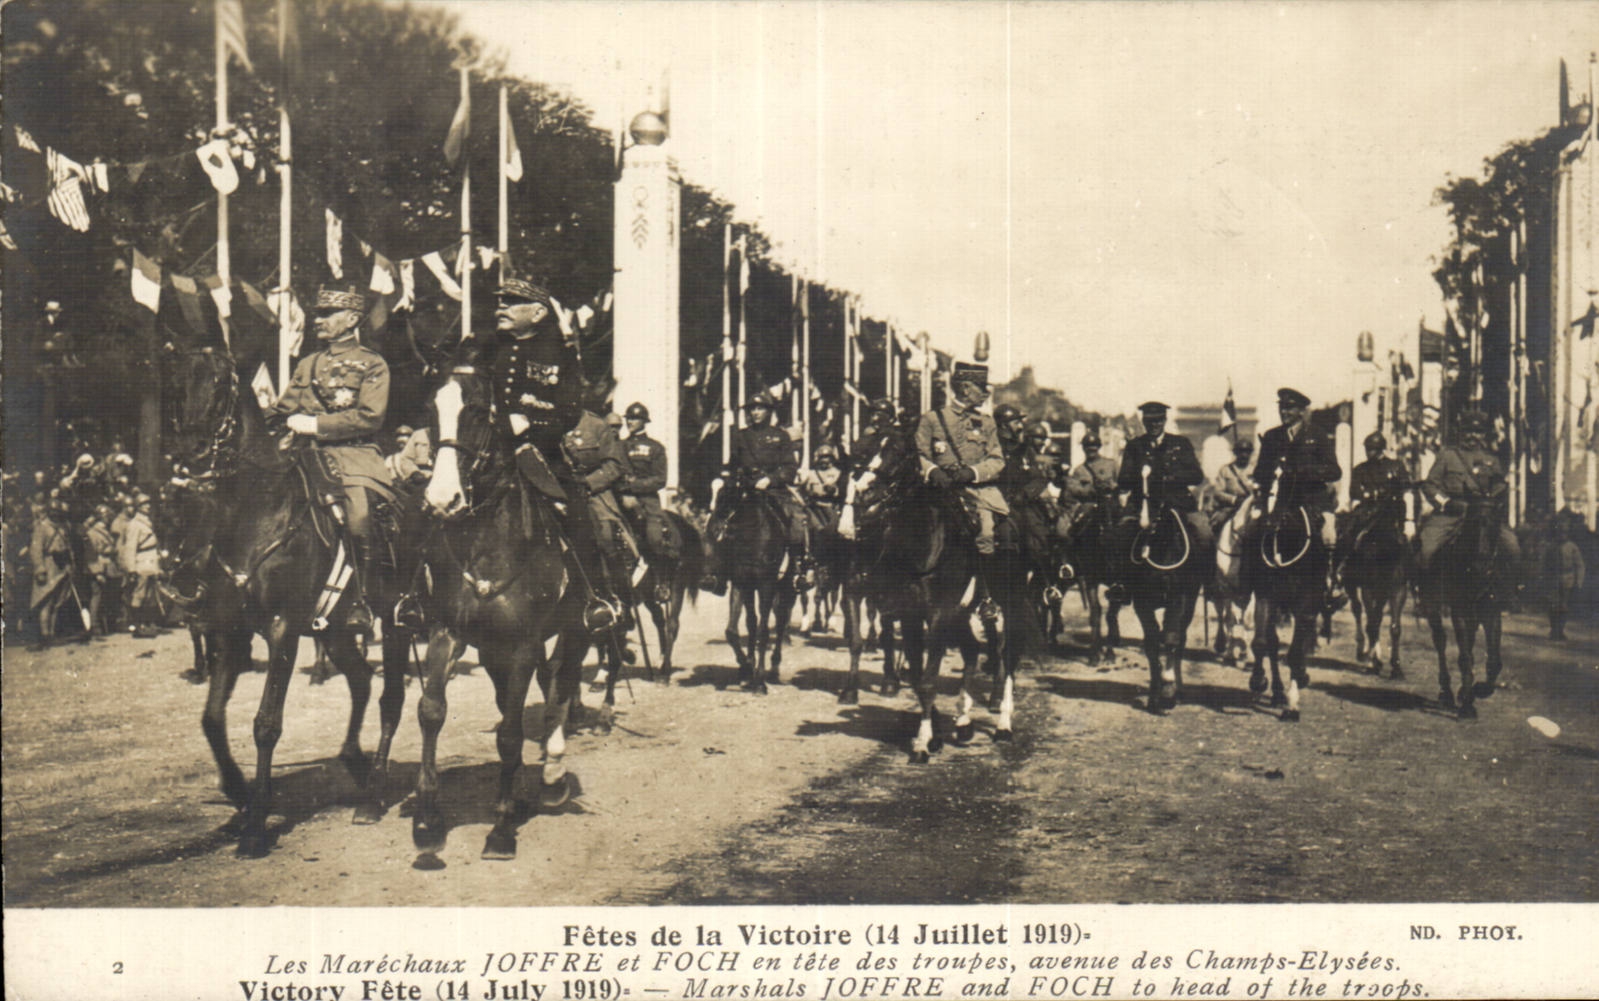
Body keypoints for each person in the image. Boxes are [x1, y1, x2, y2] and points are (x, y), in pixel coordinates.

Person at [468, 275, 616, 631]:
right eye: (500, 301)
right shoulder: (484, 346)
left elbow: (569, 411)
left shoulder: (559, 353)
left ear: (536, 313)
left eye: (510, 302)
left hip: (539, 454)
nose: (500, 307)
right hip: (486, 450)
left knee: (577, 513)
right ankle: (417, 596)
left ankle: (594, 599)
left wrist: (530, 428)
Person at [272, 284, 396, 631]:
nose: (318, 319)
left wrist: (315, 424)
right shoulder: (308, 363)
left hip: (353, 456)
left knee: (358, 517)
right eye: (319, 313)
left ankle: (363, 598)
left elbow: (370, 416)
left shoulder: (372, 364)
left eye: (328, 313)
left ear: (352, 318)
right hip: (302, 456)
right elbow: (283, 409)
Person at [710, 391, 811, 587]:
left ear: (769, 411)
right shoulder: (741, 436)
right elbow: (732, 465)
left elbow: (790, 468)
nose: (755, 412)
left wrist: (771, 479)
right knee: (720, 520)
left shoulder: (780, 436)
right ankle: (718, 572)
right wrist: (730, 480)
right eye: (752, 409)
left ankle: (800, 568)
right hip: (746, 490)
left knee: (798, 520)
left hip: (774, 491)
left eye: (760, 408)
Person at [914, 361, 1008, 556]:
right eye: (981, 388)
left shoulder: (987, 422)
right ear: (965, 388)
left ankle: (982, 582)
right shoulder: (932, 419)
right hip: (939, 490)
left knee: (987, 534)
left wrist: (972, 473)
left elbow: (997, 460)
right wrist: (933, 471)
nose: (986, 393)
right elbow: (919, 454)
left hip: (976, 494)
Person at [1417, 410, 1520, 573]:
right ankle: (1424, 591)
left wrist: (1493, 501)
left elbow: (1500, 486)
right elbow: (1430, 485)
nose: (1473, 436)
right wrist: (1446, 502)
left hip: (1483, 515)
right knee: (1427, 548)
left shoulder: (1491, 460)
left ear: (1483, 434)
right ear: (1461, 432)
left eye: (1478, 432)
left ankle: (1513, 591)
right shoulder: (1447, 456)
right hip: (1452, 514)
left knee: (1513, 546)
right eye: (1468, 431)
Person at [564, 408, 638, 616]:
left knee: (606, 535)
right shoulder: (547, 420)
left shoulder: (596, 425)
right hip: (558, 490)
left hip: (592, 493)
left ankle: (614, 596)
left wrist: (588, 483)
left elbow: (614, 465)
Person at [1252, 388, 1341, 546]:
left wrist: (1306, 471)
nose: (1284, 412)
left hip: (1313, 502)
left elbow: (1334, 471)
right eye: (1282, 408)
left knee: (1329, 539)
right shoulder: (1271, 437)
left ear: (1301, 411)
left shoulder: (1317, 435)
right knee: (1252, 534)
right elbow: (1259, 473)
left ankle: (1328, 570)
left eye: (1289, 408)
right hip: (1281, 501)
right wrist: (1271, 472)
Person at [1334, 431, 1412, 578]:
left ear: (1381, 449)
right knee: (1347, 535)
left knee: (1409, 542)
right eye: (1368, 449)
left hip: (1391, 511)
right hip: (1367, 512)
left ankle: (1412, 579)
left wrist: (1409, 520)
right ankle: (1341, 570)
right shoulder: (1360, 469)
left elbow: (1406, 490)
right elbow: (1355, 493)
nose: (1369, 452)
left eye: (1373, 449)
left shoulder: (1396, 466)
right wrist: (1368, 496)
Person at [616, 401, 678, 573]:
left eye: (635, 419)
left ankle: (661, 579)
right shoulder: (619, 446)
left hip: (647, 501)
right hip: (621, 498)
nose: (630, 422)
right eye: (629, 419)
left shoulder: (655, 448)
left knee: (655, 538)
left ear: (644, 421)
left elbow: (660, 479)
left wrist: (633, 485)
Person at [29, 498, 72, 649]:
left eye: (57, 511)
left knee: (57, 603)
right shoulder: (42, 527)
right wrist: (40, 569)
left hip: (61, 567)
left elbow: (67, 547)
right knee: (46, 602)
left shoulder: (61, 527)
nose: (55, 514)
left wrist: (69, 564)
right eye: (53, 511)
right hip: (48, 566)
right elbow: (35, 550)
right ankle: (45, 634)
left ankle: (52, 634)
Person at [118, 493, 162, 638]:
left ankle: (147, 624)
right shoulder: (134, 525)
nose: (148, 506)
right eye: (144, 505)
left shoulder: (146, 522)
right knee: (139, 594)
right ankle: (137, 625)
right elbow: (130, 548)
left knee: (149, 595)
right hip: (141, 563)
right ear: (138, 507)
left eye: (148, 504)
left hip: (150, 562)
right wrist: (131, 569)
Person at [1201, 436, 1256, 533]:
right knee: (1218, 523)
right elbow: (1218, 492)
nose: (1244, 455)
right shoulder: (1226, 470)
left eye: (1247, 451)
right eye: (1241, 451)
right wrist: (1234, 500)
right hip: (1230, 508)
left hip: (1250, 507)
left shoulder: (1255, 471)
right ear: (1235, 453)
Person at [84, 502, 120, 636]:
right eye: (107, 516)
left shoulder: (104, 531)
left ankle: (104, 625)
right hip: (98, 566)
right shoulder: (93, 533)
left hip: (108, 566)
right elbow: (91, 554)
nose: (109, 518)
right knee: (97, 596)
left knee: (104, 597)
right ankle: (94, 625)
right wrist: (97, 572)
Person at [1547, 516, 1586, 641]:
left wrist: (1579, 582)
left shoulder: (1572, 547)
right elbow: (1544, 564)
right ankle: (1553, 629)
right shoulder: (1551, 547)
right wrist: (1543, 578)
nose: (1562, 535)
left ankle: (1560, 630)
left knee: (1563, 606)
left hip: (1567, 579)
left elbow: (1580, 565)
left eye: (1564, 533)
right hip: (1553, 579)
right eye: (1560, 532)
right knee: (1553, 605)